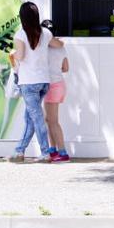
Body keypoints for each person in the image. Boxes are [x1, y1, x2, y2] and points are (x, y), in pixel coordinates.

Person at [7, 2, 63, 163]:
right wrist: (61, 41)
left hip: (29, 82)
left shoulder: (20, 35)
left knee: (36, 118)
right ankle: (19, 151)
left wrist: (12, 53)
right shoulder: (45, 33)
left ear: (22, 17)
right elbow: (58, 45)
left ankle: (45, 153)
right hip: (44, 82)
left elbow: (21, 55)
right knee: (30, 118)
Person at [42, 20, 70, 163]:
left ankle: (63, 152)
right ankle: (53, 150)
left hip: (51, 86)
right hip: (59, 85)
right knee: (49, 120)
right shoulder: (61, 47)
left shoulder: (44, 48)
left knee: (53, 121)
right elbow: (66, 68)